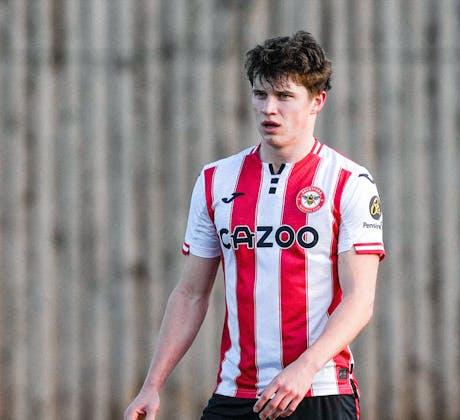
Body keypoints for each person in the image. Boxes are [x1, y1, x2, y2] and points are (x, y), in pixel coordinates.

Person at [124, 30, 385, 420]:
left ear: (317, 101)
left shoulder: (349, 182)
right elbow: (191, 294)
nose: (269, 109)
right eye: (260, 94)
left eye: (284, 96)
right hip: (236, 394)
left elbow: (359, 299)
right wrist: (152, 385)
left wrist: (306, 367)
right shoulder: (216, 180)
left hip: (318, 390)